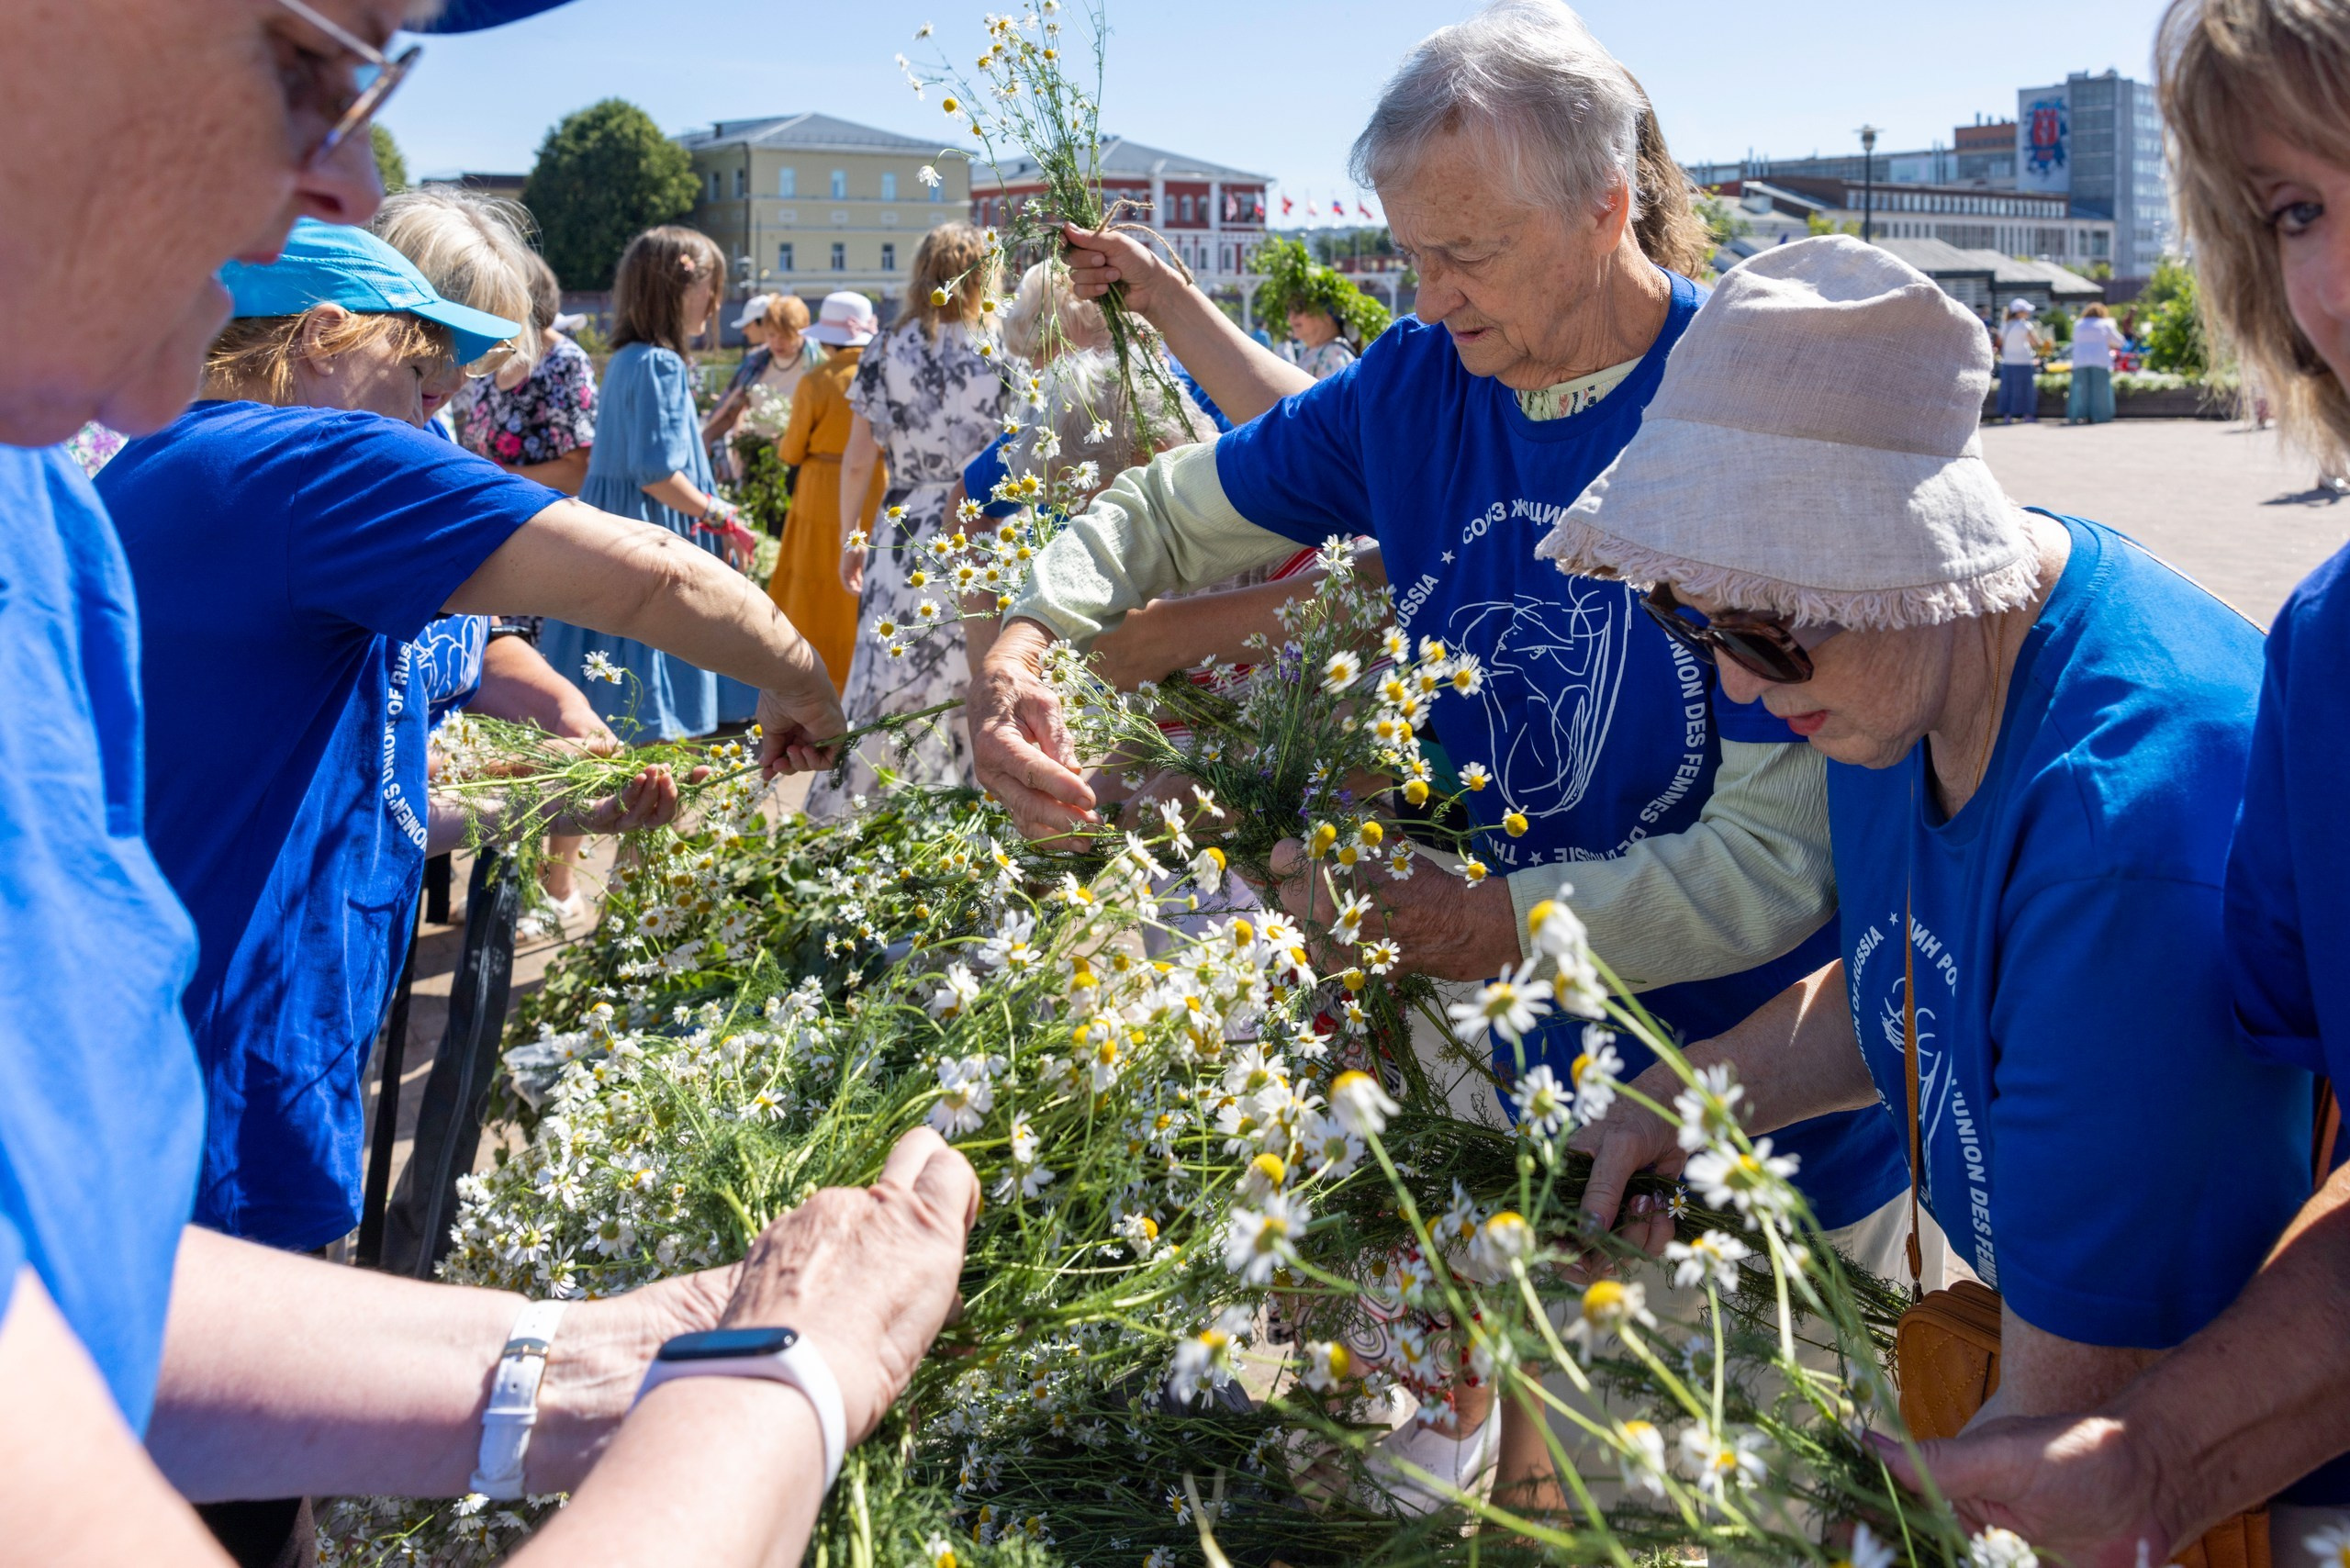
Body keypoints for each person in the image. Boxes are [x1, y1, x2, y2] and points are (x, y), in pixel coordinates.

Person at [0, 2, 974, 1562]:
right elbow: (654, 574)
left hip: (254, 1141)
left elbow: (85, 1292)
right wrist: (783, 1384)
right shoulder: (281, 464)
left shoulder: (51, 509)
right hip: (244, 1130)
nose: (343, 175)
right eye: (305, 62)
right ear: (326, 344)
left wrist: (590, 1361)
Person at [972, 0, 1908, 1278]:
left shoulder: (1742, 403)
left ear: (1606, 207)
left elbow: (1775, 861)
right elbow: (1167, 516)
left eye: (1466, 251)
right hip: (1511, 1102)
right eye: (1411, 252)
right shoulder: (1415, 382)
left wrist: (1485, 923)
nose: (1427, 296)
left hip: (1755, 1140)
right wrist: (1023, 641)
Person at [1556, 238, 2322, 1479]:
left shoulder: (2115, 847)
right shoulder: (1897, 678)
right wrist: (1686, 1100)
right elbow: (1911, 980)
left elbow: (2059, 1445)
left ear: (1918, 564)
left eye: (1765, 631)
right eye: (1688, 619)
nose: (1739, 686)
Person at [1869, 1, 2350, 1560]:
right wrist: (2151, 1465)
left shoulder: (2135, 788)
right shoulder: (2327, 655)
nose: (2339, 281)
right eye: (2298, 209)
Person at [387, 188, 604, 917]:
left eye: (478, 357)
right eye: (441, 348)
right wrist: (523, 792)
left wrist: (558, 705)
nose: (456, 381)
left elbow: (467, 633)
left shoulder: (432, 429)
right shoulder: (326, 459)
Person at [811, 224, 1013, 812]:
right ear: (983, 276)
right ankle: (992, 815)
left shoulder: (885, 347)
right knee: (987, 677)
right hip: (987, 524)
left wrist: (852, 537)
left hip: (905, 531)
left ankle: (862, 818)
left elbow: (858, 459)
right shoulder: (1004, 347)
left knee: (888, 681)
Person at [541, 225, 764, 740]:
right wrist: (721, 516)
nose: (716, 303)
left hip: (612, 527)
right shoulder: (661, 364)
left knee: (615, 667)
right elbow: (658, 474)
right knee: (655, 659)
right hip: (652, 529)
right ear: (680, 289)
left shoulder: (625, 359)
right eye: (711, 288)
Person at [767, 291, 887, 697]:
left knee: (814, 581)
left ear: (825, 337)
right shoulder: (885, 375)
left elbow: (791, 451)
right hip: (876, 484)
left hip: (820, 488)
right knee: (868, 580)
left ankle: (810, 677)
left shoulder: (816, 380)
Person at [449, 237, 599, 497]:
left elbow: (578, 472)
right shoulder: (497, 356)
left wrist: (488, 475)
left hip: (538, 516)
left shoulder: (564, 362)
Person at [705, 291, 820, 473]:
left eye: (785, 336)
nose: (777, 342)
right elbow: (730, 411)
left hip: (802, 461)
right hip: (760, 459)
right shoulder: (755, 363)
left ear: (801, 331)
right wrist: (707, 436)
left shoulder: (818, 364)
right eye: (772, 335)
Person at [2067, 302, 2125, 425]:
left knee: (2080, 389)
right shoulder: (2105, 323)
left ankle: (2077, 415)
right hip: (2100, 359)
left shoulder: (2079, 324)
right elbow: (2120, 342)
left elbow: (2074, 339)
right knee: (2101, 389)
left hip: (2080, 360)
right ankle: (2100, 416)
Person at [1996, 297, 2045, 423]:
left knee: (2008, 389)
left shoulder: (2004, 325)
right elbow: (2035, 343)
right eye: (2026, 311)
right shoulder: (2025, 325)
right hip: (2024, 361)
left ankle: (2007, 415)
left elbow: (2000, 342)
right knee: (2025, 389)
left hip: (2008, 361)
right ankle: (2027, 415)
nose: (2028, 313)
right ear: (2019, 312)